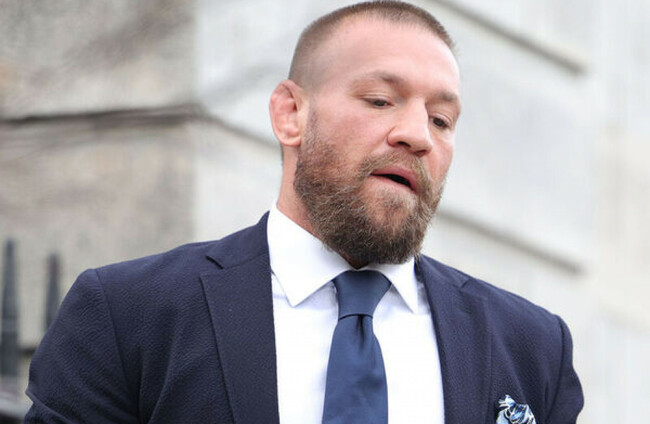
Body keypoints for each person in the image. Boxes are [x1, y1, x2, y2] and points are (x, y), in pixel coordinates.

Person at [24, 1, 584, 423]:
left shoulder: (532, 348)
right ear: (290, 114)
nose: (418, 135)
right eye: (381, 100)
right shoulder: (129, 314)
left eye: (442, 120)